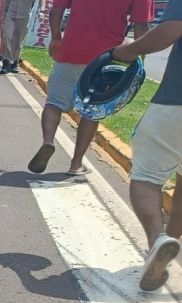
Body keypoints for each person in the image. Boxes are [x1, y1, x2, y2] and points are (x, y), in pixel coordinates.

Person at [27, 0, 154, 176]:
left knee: (54, 102)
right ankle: (76, 164)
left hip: (71, 49)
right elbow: (142, 25)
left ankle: (48, 141)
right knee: (92, 111)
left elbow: (56, 10)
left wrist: (56, 38)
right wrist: (140, 58)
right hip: (105, 58)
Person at [111, 0, 182, 290]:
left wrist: (125, 51)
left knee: (145, 177)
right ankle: (165, 250)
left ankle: (157, 239)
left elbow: (170, 31)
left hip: (177, 101)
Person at [0, 0, 36, 74]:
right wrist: (2, 14)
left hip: (25, 16)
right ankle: (6, 62)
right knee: (6, 36)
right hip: (10, 15)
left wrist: (42, 10)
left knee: (18, 41)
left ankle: (15, 63)